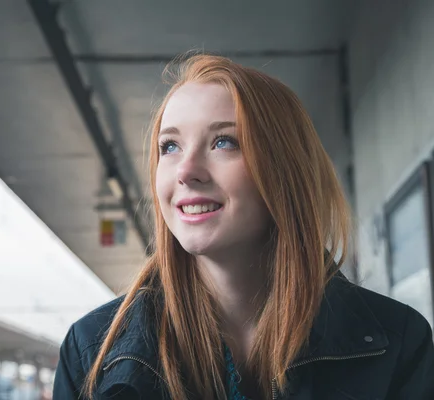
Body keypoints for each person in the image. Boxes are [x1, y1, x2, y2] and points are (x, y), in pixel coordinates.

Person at [52, 54, 434, 399]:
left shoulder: (398, 343)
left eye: (224, 142)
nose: (186, 171)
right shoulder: (90, 352)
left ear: (285, 170)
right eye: (169, 147)